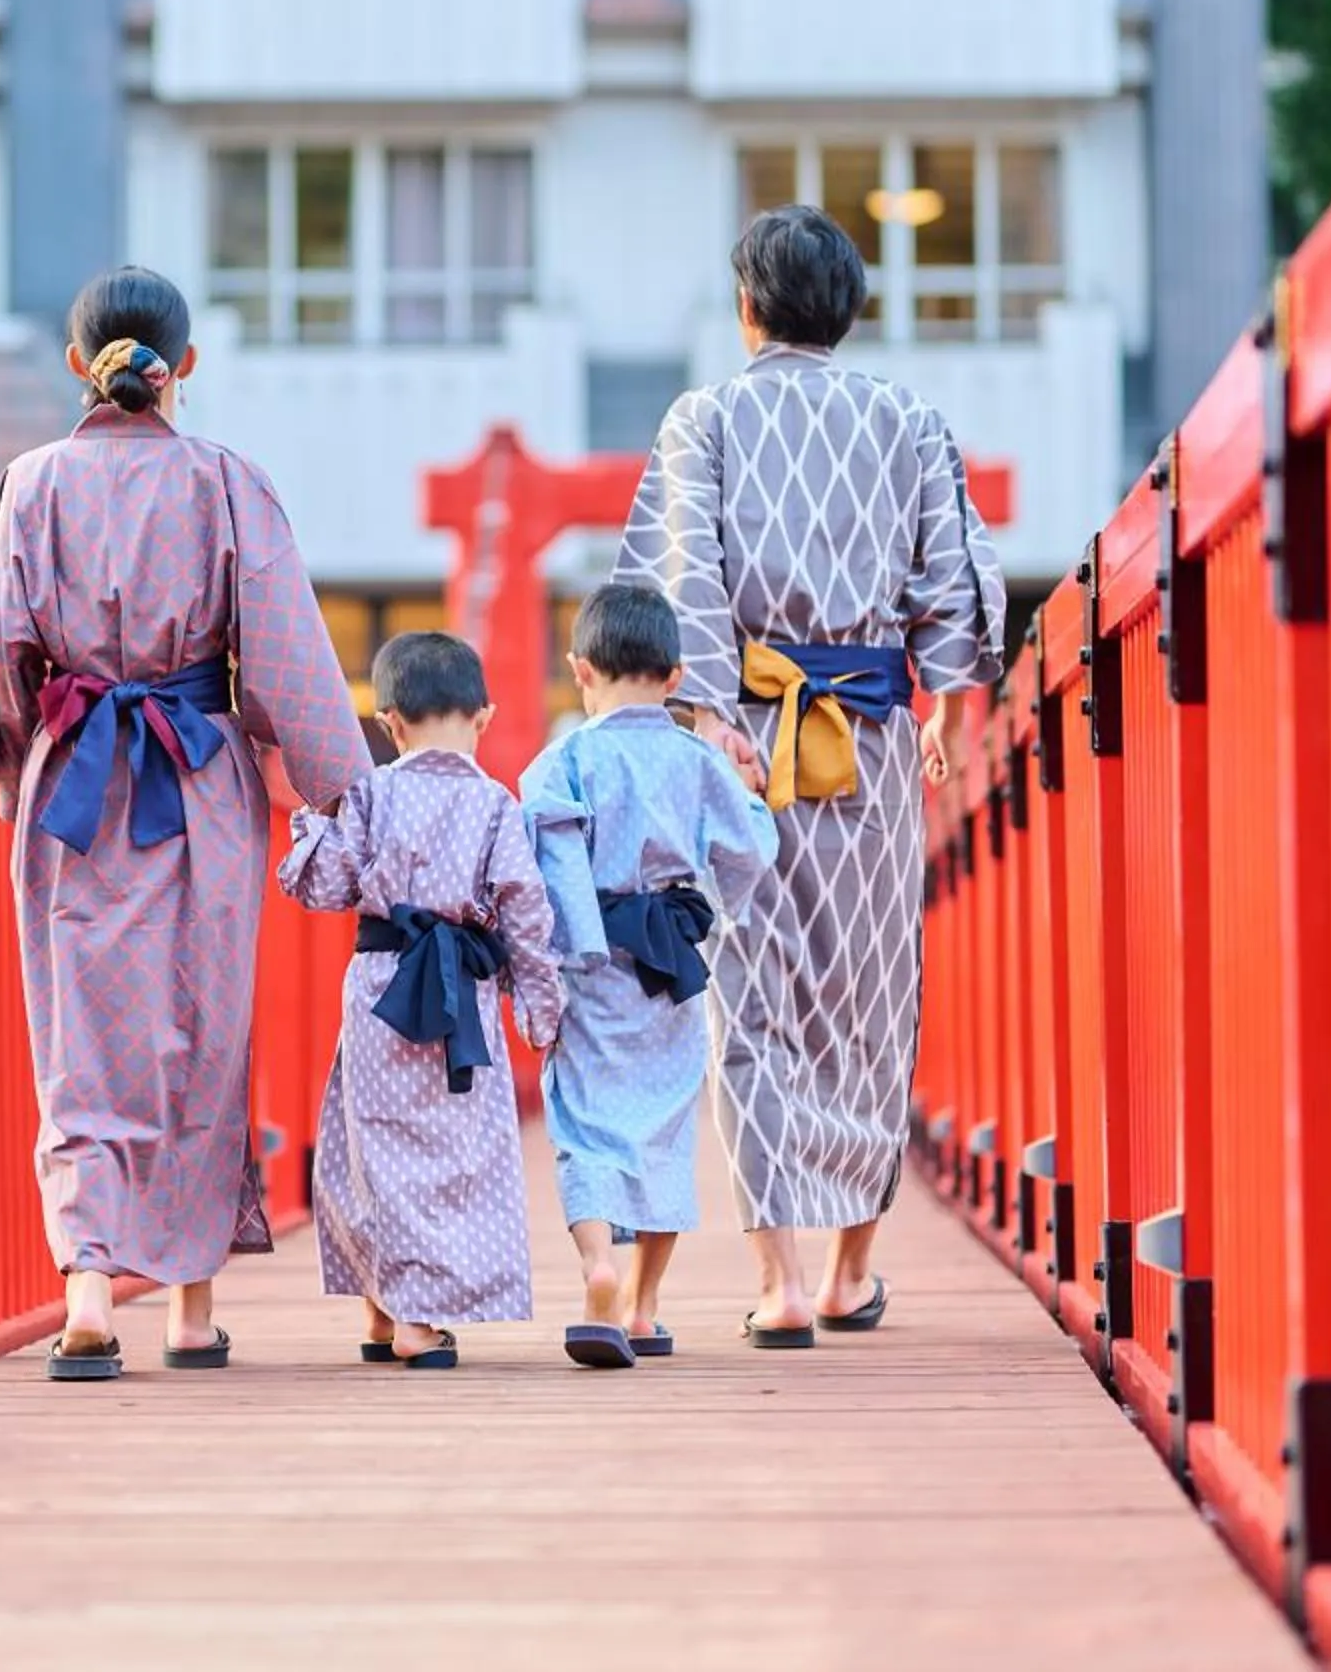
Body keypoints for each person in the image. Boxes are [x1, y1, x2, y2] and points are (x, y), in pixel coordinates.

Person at [0, 265, 373, 1383]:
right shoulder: (228, 483)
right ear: (185, 366)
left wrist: (8, 766)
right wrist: (348, 794)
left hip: (73, 789)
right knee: (200, 1032)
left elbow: (7, 659)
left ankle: (88, 1286)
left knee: (79, 1039)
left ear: (76, 368)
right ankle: (191, 1311)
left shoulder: (31, 482)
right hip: (199, 783)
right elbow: (289, 661)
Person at [616, 204, 1007, 1346]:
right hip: (874, 738)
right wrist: (943, 701)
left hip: (745, 737)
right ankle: (849, 1272)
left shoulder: (707, 417)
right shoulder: (905, 417)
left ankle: (779, 1279)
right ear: (849, 309)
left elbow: (682, 578)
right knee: (872, 990)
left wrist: (706, 715)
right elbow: (955, 586)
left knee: (753, 1000)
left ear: (746, 309)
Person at [278, 632, 565, 1371]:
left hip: (379, 987)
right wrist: (537, 999)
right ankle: (420, 1318)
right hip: (460, 994)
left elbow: (325, 886)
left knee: (375, 1147)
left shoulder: (371, 793)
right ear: (485, 718)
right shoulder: (496, 804)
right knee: (451, 1151)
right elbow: (524, 909)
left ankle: (383, 1311)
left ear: (389, 721)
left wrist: (313, 821)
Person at [520, 586, 777, 1369]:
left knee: (585, 1125)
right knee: (663, 1127)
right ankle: (642, 1303)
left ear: (580, 671)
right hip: (668, 965)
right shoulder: (696, 758)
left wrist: (558, 951)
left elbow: (532, 856)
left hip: (589, 964)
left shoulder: (563, 759)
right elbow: (749, 851)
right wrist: (756, 799)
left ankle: (598, 1263)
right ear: (673, 679)